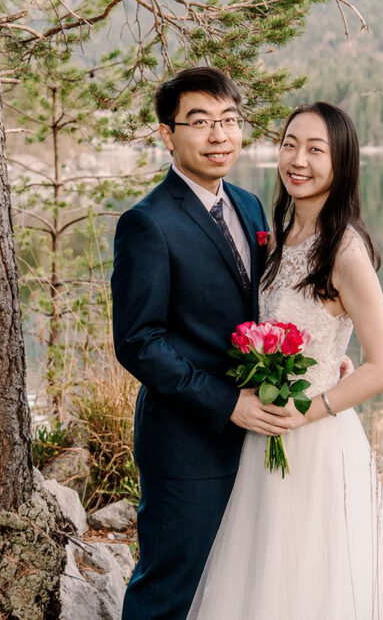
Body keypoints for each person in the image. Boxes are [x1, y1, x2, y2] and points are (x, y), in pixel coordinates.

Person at [187, 102, 383, 619]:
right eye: (290, 144)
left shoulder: (345, 251)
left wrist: (309, 407)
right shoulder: (276, 239)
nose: (298, 159)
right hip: (263, 438)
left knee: (315, 583)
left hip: (315, 440)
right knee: (263, 578)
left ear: (341, 163)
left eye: (315, 149)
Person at [112, 67, 302, 619]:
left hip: (255, 436)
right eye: (200, 123)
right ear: (168, 135)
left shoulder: (248, 204)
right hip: (186, 445)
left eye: (228, 121)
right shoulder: (147, 223)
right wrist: (228, 404)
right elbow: (138, 342)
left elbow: (260, 309)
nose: (219, 136)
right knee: (170, 591)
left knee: (235, 586)